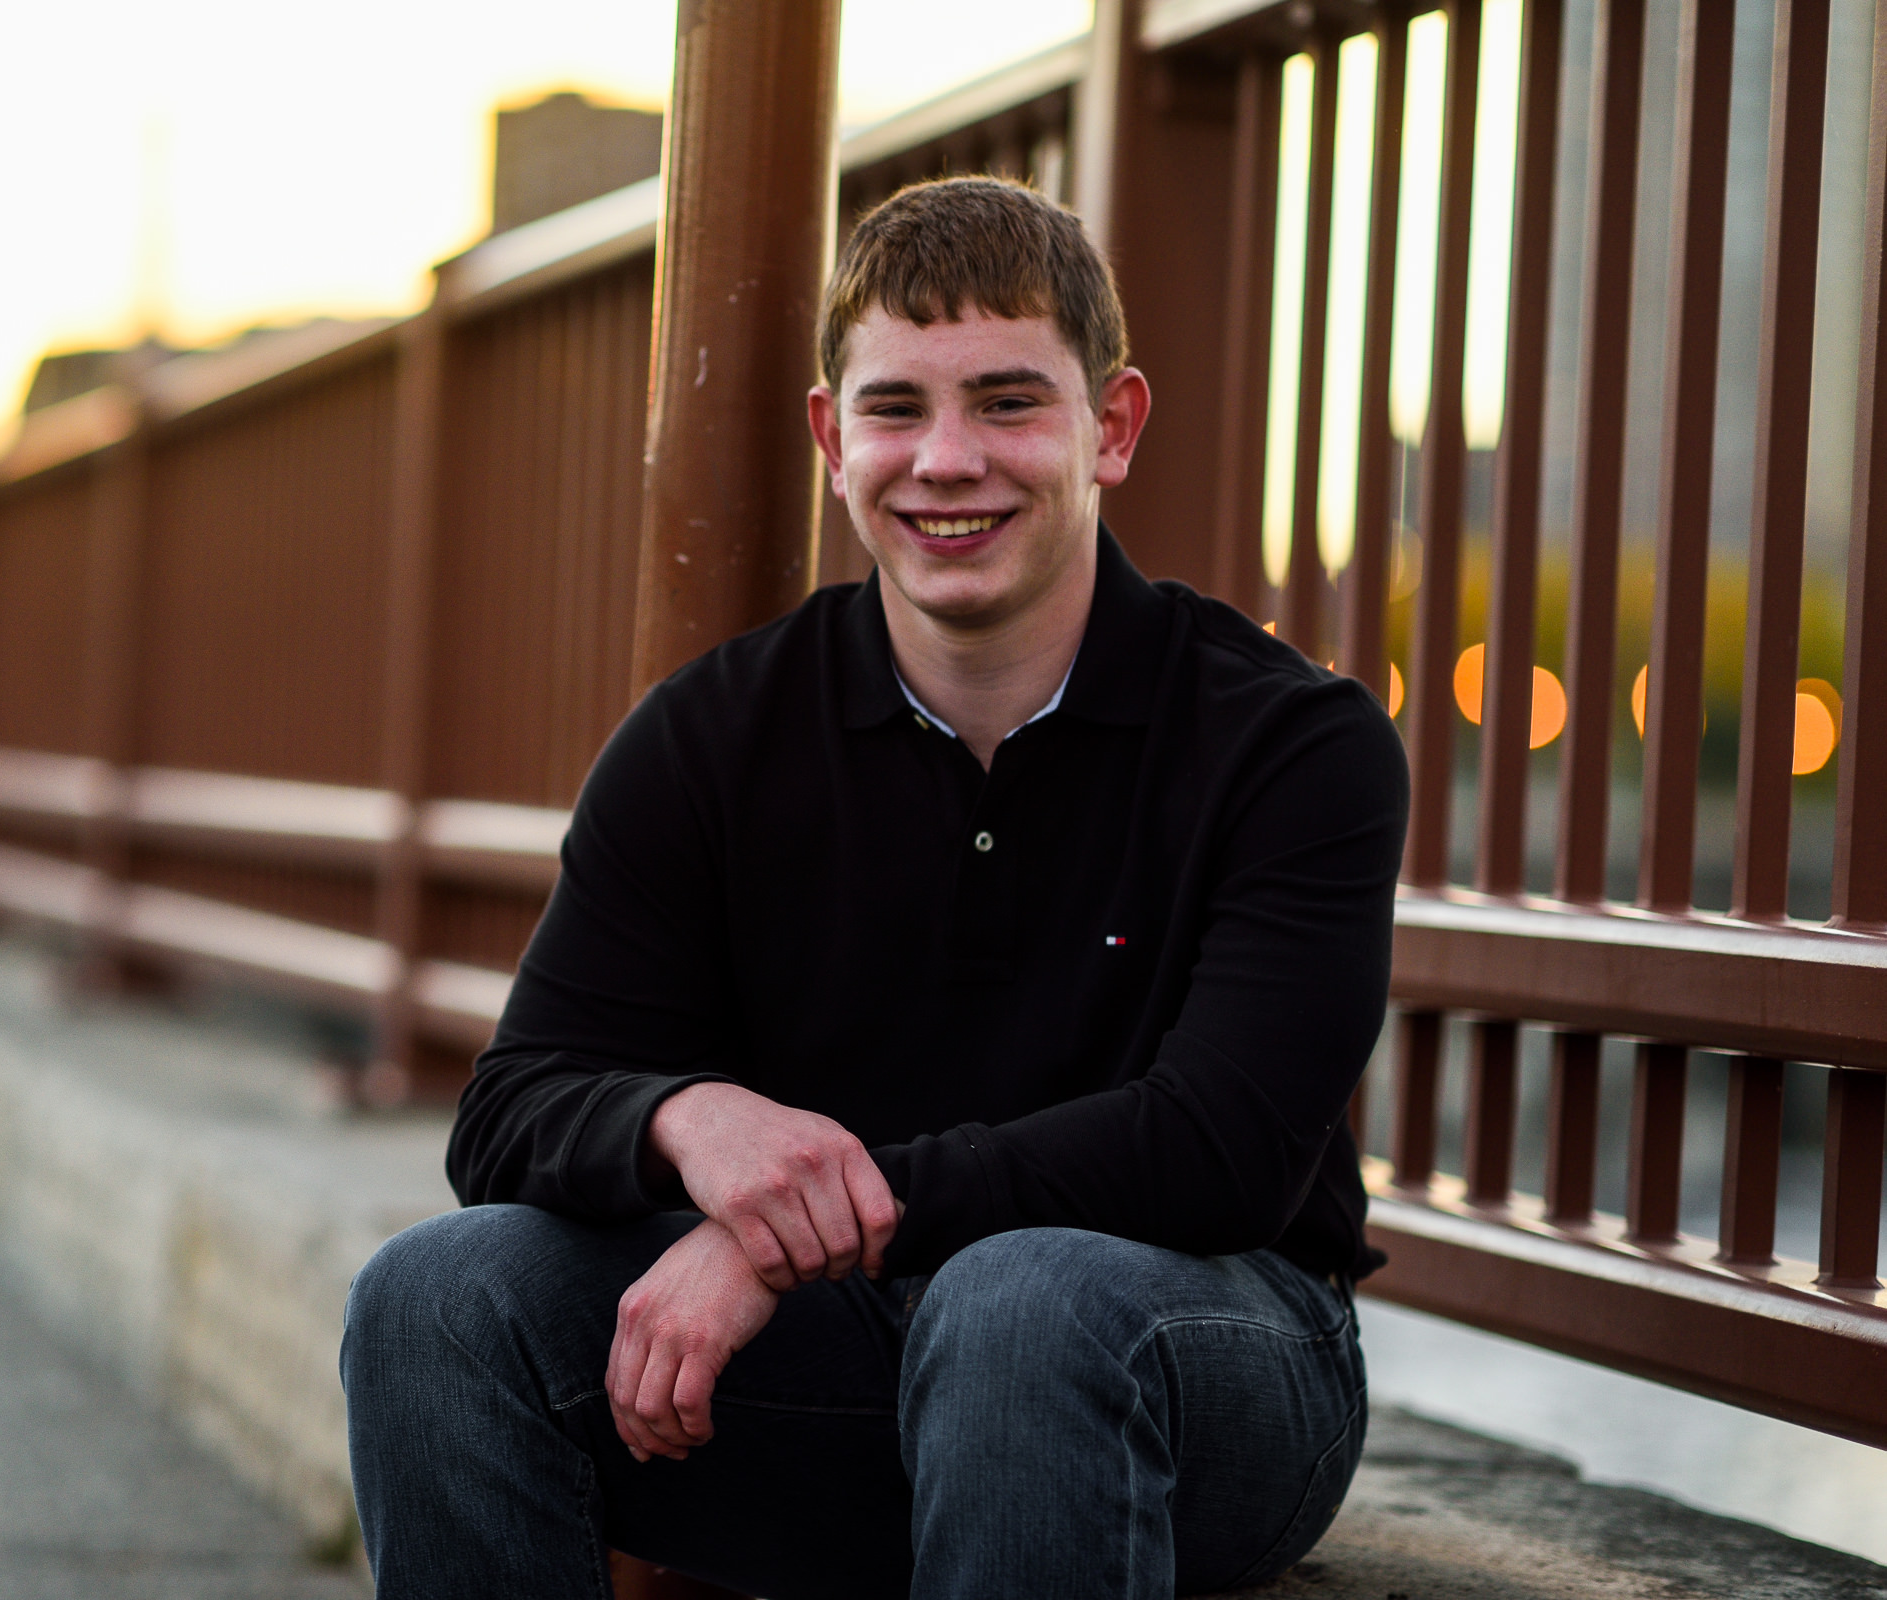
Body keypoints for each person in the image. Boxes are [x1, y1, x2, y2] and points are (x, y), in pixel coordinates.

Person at [342, 176, 1408, 1599]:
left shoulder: (1290, 741)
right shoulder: (710, 733)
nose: (946, 460)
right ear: (832, 437)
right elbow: (513, 1108)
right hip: (837, 1370)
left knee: (1020, 1299)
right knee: (437, 1296)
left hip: (1190, 1361)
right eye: (897, 409)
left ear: (1114, 426)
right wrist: (687, 1119)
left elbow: (1214, 1148)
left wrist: (778, 1244)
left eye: (1009, 403)